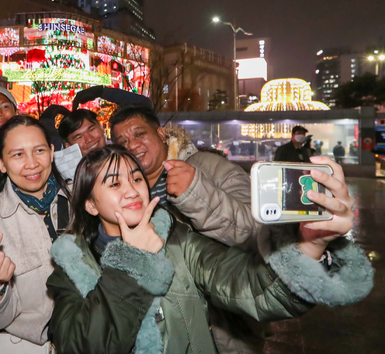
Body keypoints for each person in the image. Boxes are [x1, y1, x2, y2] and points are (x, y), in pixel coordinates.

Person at [47, 146, 373, 354]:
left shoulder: (180, 241)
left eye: (136, 178)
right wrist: (132, 263)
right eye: (114, 184)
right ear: (90, 204)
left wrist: (311, 244)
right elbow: (81, 345)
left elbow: (248, 287)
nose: (132, 190)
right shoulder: (71, 267)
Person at [0, 116, 71, 353]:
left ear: (51, 152)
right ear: (1, 163)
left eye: (39, 150)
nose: (32, 164)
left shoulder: (81, 202)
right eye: (18, 155)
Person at [109, 104, 255, 246]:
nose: (132, 145)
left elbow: (252, 229)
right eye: (123, 142)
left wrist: (195, 192)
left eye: (139, 134)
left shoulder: (210, 166)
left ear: (161, 134)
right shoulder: (120, 193)